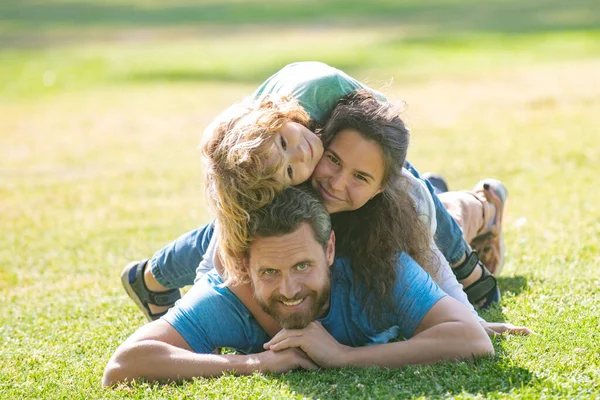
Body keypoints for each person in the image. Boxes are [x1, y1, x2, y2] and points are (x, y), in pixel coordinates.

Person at [122, 91, 529, 337]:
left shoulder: (400, 195)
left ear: (379, 185)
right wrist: (197, 309)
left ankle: (484, 204)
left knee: (445, 216)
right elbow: (222, 249)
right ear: (322, 137)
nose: (334, 181)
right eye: (332, 159)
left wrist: (467, 317)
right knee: (238, 223)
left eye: (358, 176)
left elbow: (434, 265)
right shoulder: (292, 159)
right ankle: (150, 276)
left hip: (413, 209)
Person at [103, 186, 494, 386]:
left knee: (454, 216)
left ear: (329, 249)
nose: (289, 289)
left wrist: (342, 357)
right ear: (245, 265)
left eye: (303, 265)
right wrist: (258, 363)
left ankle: (485, 202)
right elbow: (123, 365)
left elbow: (473, 341)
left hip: (421, 215)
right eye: (269, 272)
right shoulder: (228, 297)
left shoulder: (378, 267)